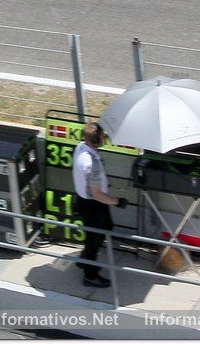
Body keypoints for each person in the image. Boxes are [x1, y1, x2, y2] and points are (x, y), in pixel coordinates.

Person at [72, 122, 125, 289]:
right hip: (93, 204)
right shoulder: (91, 164)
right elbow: (97, 194)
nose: (105, 138)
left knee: (107, 227)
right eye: (103, 137)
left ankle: (84, 259)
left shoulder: (81, 146)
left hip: (85, 200)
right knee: (94, 239)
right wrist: (117, 201)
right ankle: (90, 275)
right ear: (95, 140)